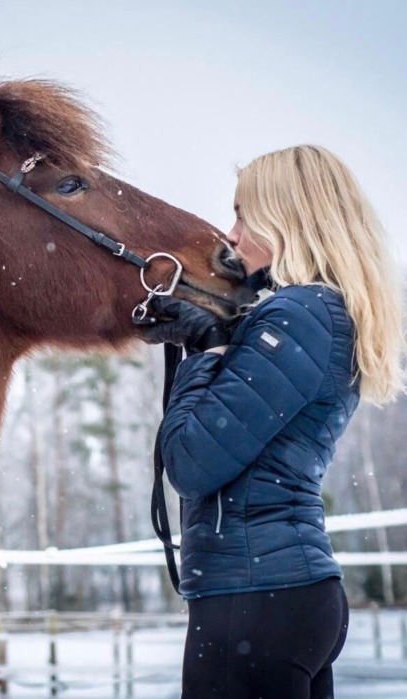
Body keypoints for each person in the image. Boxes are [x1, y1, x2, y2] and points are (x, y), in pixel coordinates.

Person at [135, 145, 405, 698]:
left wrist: (203, 349)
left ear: (287, 218)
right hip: (283, 595)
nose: (231, 236)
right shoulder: (315, 313)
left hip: (254, 600)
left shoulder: (300, 315)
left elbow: (190, 461)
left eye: (243, 214)